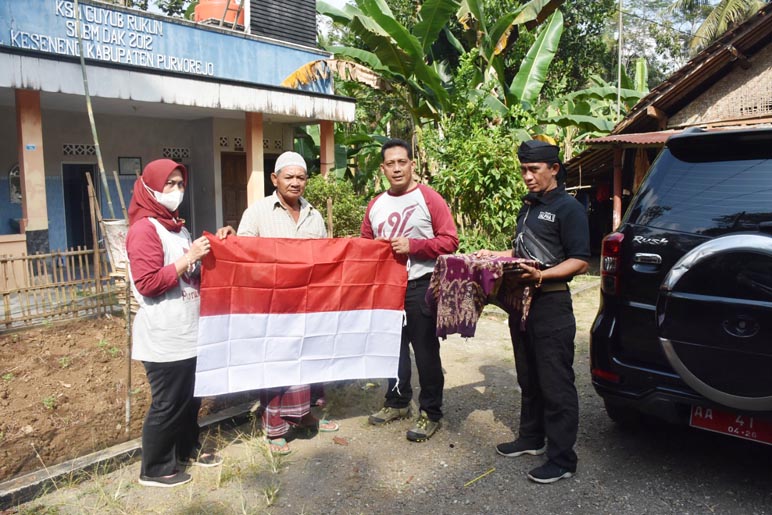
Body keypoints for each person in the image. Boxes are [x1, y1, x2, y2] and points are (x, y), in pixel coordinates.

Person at [475, 140, 590, 484]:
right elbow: (521, 250)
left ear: (554, 169)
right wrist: (494, 254)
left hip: (551, 304)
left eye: (533, 170)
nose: (526, 176)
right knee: (529, 376)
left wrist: (542, 275)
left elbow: (581, 261)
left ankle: (562, 458)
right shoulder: (528, 207)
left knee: (556, 382)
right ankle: (531, 438)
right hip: (520, 304)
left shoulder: (569, 209)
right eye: (523, 169)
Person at [219, 151, 338, 455]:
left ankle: (306, 414)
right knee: (276, 365)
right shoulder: (258, 212)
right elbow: (243, 255)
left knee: (309, 361)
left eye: (301, 177)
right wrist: (229, 240)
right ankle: (275, 429)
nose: (295, 183)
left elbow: (324, 257)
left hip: (309, 303)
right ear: (275, 179)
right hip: (273, 306)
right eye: (289, 177)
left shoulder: (313, 214)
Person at [126, 159, 225, 488]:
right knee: (167, 403)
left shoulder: (177, 228)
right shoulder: (144, 230)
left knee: (190, 399)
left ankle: (186, 450)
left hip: (188, 330)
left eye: (180, 184)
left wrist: (212, 249)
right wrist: (190, 257)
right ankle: (154, 468)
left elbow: (190, 274)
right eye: (169, 184)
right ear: (151, 187)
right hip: (163, 334)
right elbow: (148, 283)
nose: (176, 191)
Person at [361, 138, 459, 442]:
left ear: (412, 164)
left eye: (402, 162)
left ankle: (431, 412)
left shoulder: (429, 198)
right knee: (392, 348)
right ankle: (397, 402)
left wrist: (414, 246)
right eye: (390, 164)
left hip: (421, 285)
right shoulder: (376, 204)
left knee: (426, 352)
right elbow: (365, 245)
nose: (397, 168)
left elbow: (450, 241)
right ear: (383, 169)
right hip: (386, 290)